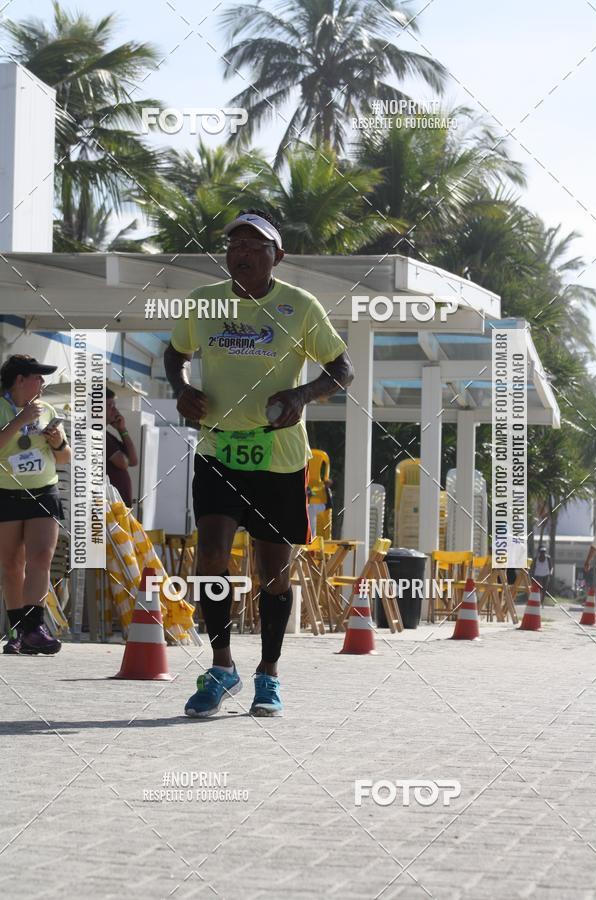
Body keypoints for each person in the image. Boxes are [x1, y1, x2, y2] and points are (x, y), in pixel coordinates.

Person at [164, 209, 354, 717]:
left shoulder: (300, 306)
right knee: (211, 558)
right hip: (217, 449)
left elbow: (342, 369)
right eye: (234, 247)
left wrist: (303, 394)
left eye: (254, 246)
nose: (241, 254)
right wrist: (181, 388)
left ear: (278, 256)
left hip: (278, 455)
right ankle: (222, 666)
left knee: (274, 571)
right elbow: (174, 353)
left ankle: (268, 674)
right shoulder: (202, 304)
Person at [0, 355, 71, 654]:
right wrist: (20, 421)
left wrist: (56, 442)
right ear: (19, 380)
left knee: (41, 558)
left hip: (44, 491)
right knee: (12, 566)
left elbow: (64, 457)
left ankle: (34, 628)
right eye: (38, 377)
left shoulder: (49, 409)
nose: (43, 382)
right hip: (7, 493)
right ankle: (16, 632)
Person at [106, 388, 138, 507]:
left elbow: (133, 461)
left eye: (115, 405)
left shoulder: (108, 435)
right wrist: (125, 458)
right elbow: (123, 463)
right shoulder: (97, 434)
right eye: (110, 405)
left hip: (118, 507)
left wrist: (122, 430)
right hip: (111, 508)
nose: (115, 410)